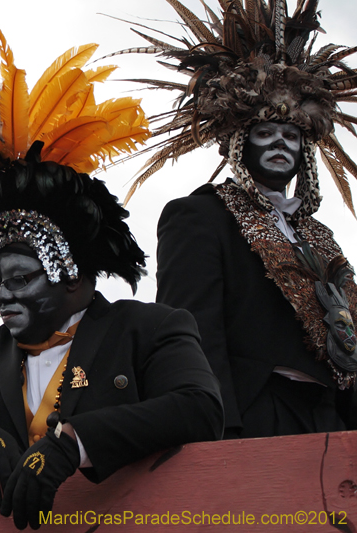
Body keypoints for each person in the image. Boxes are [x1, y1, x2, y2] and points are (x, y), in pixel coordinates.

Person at [0, 27, 223, 530]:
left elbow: (200, 408)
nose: (4, 295)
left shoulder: (148, 330)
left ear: (71, 277)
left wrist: (76, 442)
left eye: (21, 279)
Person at [117, 1, 357, 437]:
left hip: (330, 418)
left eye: (291, 135)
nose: (280, 143)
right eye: (266, 133)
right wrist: (219, 430)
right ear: (240, 144)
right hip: (257, 414)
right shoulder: (200, 216)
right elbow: (191, 334)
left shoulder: (319, 237)